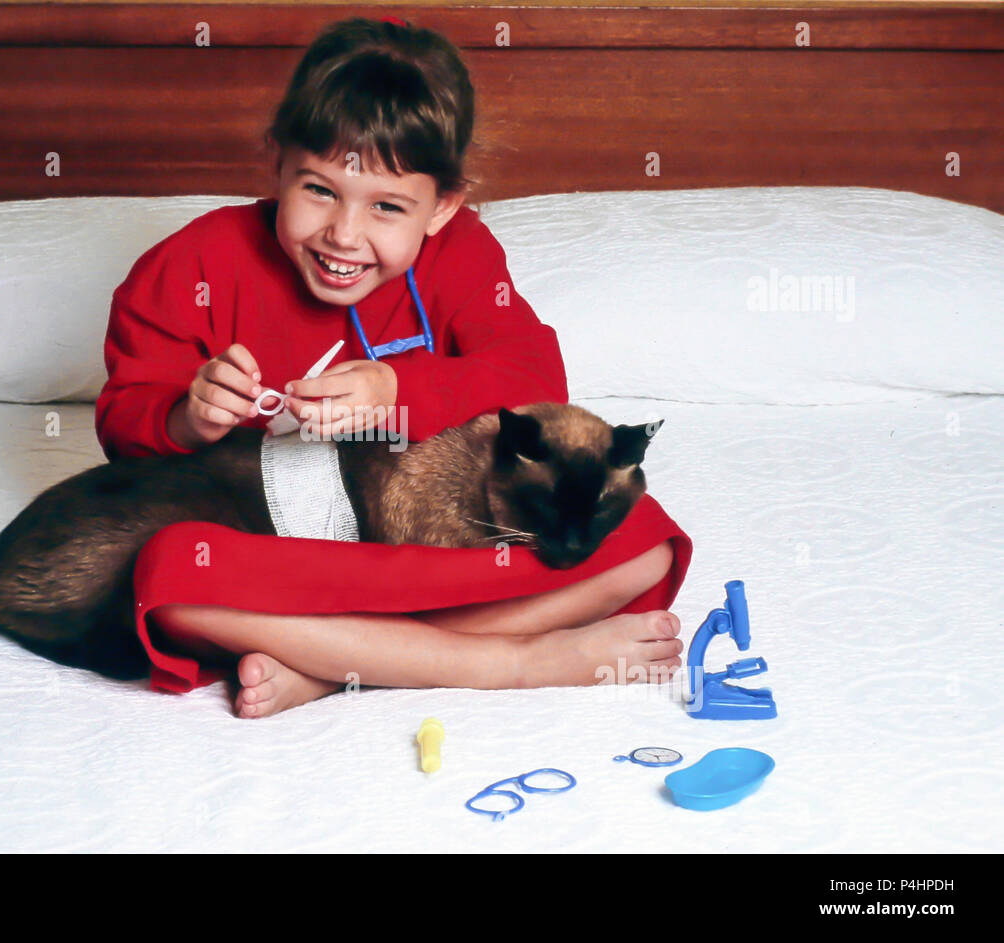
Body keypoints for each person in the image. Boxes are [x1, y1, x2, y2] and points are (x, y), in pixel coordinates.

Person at [96, 16, 689, 717]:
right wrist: (184, 417)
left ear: (442, 208)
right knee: (163, 571)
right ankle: (507, 659)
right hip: (274, 554)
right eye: (318, 189)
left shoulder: (462, 255)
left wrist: (397, 387)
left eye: (386, 207)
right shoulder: (190, 264)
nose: (344, 235)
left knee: (645, 541)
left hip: (421, 552)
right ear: (278, 162)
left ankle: (332, 665)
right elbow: (123, 425)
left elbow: (537, 383)